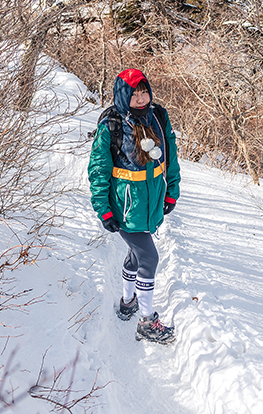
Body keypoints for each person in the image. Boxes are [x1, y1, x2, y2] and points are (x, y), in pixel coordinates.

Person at [87, 68, 181, 344]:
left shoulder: (158, 117)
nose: (141, 99)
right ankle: (146, 320)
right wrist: (103, 209)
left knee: (136, 256)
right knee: (149, 258)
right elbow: (98, 170)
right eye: (134, 94)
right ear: (123, 95)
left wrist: (171, 192)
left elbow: (170, 159)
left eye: (144, 92)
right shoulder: (112, 126)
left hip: (150, 204)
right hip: (125, 208)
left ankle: (128, 302)